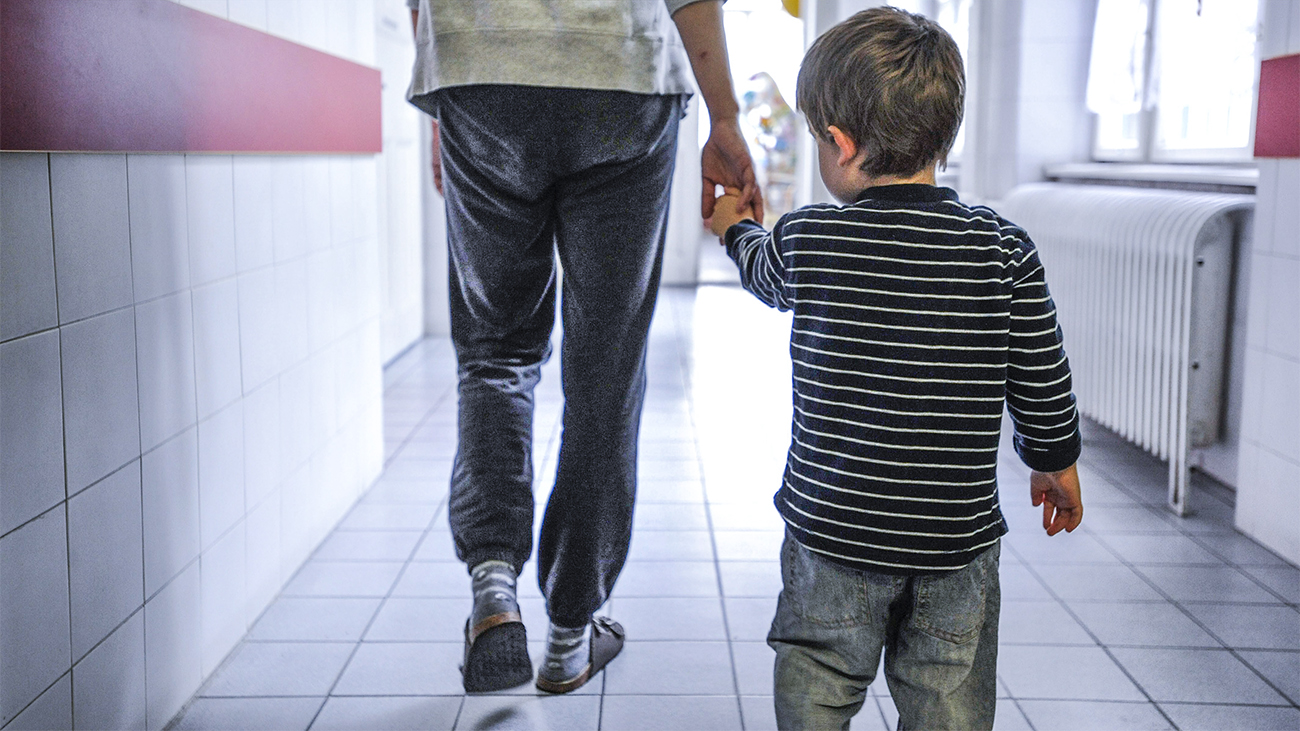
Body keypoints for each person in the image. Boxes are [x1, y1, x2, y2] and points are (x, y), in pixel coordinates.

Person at [706, 8, 1084, 730]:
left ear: (840, 144)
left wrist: (733, 224)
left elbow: (761, 270)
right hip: (955, 543)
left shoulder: (812, 237)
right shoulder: (1001, 248)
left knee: (816, 681)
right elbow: (1041, 369)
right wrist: (1054, 461)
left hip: (834, 533)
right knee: (947, 700)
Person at [405, 0, 763, 694]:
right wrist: (724, 115)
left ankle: (493, 587)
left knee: (496, 348)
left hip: (478, 73)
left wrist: (442, 94)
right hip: (620, 70)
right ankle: (570, 634)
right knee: (607, 368)